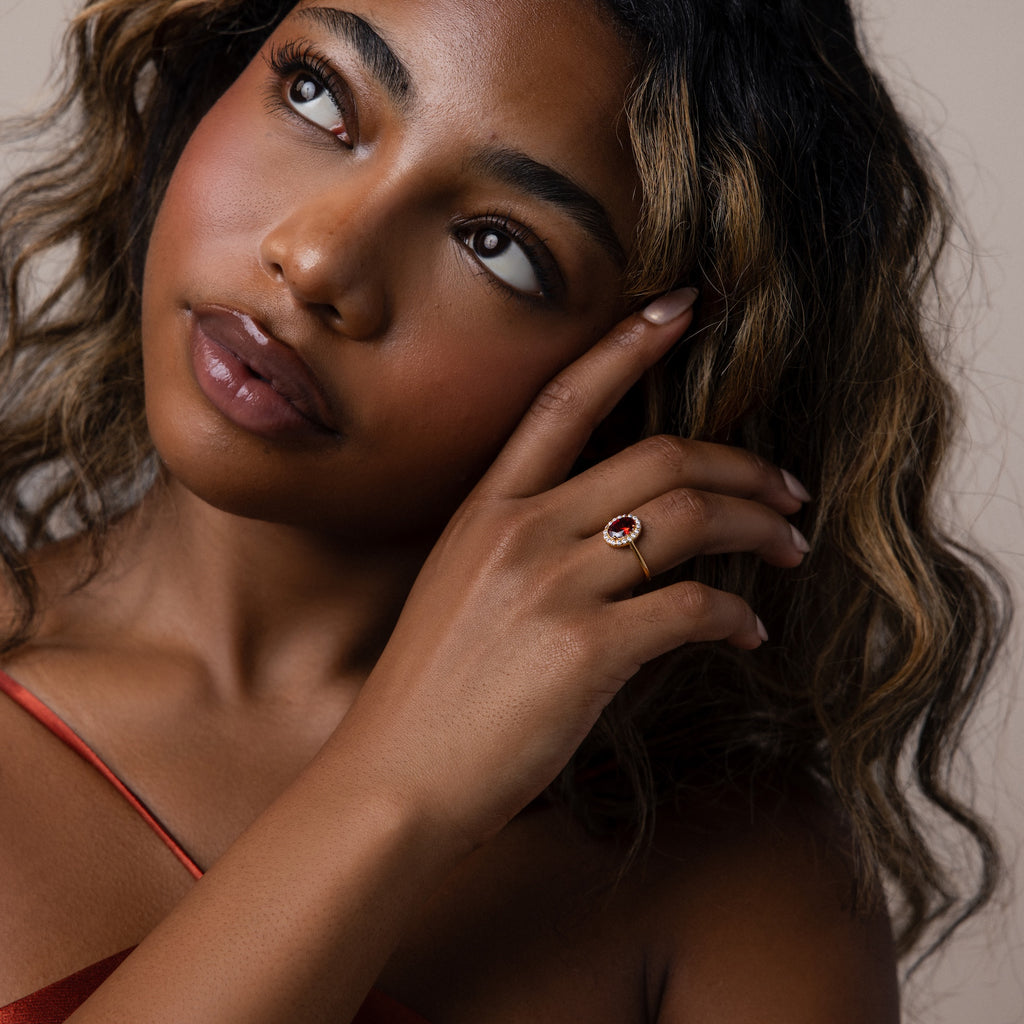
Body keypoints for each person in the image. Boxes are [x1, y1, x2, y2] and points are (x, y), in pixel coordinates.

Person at [0, 0, 1007, 1020]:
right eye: (317, 96)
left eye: (499, 246)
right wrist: (391, 788)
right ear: (216, 73)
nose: (316, 263)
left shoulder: (730, 881)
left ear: (659, 376)